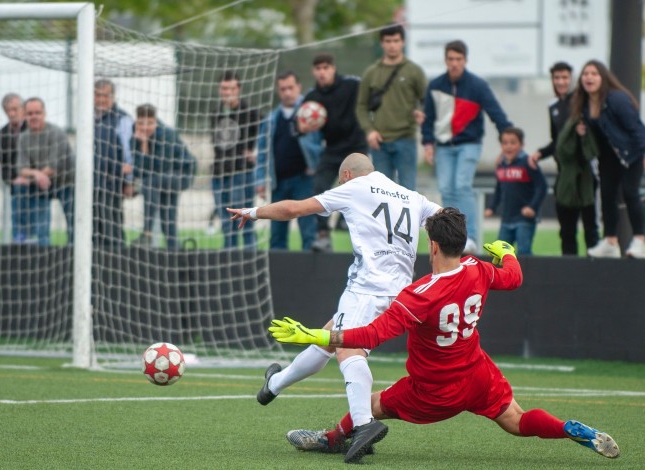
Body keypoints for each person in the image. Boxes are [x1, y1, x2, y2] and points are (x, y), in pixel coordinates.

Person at [269, 209, 620, 464]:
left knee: (372, 405)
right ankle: (569, 429)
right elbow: (512, 277)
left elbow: (372, 335)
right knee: (517, 421)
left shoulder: (420, 293)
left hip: (434, 388)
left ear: (433, 246)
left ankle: (330, 440)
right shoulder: (478, 269)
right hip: (478, 374)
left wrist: (317, 334)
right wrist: (509, 253)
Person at [227, 153, 442, 448]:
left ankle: (364, 424)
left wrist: (252, 212)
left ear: (347, 176)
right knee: (329, 338)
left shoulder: (354, 188)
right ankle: (273, 384)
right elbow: (448, 220)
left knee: (347, 349)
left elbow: (294, 208)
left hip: (368, 287)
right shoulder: (411, 196)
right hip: (403, 293)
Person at [421, 40, 512, 254]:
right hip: (443, 146)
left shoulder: (477, 86)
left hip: (469, 144)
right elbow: (429, 118)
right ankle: (454, 238)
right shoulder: (435, 85)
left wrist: (508, 141)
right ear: (445, 60)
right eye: (451, 59)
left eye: (458, 59)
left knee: (462, 186)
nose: (454, 63)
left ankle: (471, 237)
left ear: (465, 60)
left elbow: (495, 112)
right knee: (447, 189)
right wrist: (427, 143)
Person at [574, 60, 645, 259]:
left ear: (603, 78)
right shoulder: (585, 105)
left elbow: (638, 130)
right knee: (607, 196)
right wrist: (583, 130)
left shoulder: (617, 99)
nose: (589, 77)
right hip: (608, 157)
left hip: (632, 154)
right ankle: (611, 242)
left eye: (594, 73)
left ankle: (640, 241)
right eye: (585, 74)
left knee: (630, 193)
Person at [299, 53, 368, 252]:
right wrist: (301, 128)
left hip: (357, 148)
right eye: (318, 69)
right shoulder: (312, 97)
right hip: (332, 149)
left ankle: (346, 223)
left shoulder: (351, 85)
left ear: (333, 68)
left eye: (326, 68)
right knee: (318, 187)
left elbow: (372, 96)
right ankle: (323, 236)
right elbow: (298, 126)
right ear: (314, 71)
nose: (322, 72)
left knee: (360, 191)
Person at [529, 62, 599, 256]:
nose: (561, 82)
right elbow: (557, 141)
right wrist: (540, 153)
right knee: (566, 229)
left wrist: (582, 133)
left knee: (590, 226)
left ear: (572, 79)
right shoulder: (553, 106)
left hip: (585, 172)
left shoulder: (581, 102)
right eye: (557, 78)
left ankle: (596, 269)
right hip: (564, 173)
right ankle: (571, 269)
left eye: (565, 78)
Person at [256, 70, 322, 250]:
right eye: (283, 88)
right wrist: (260, 179)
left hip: (304, 181)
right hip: (279, 182)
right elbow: (262, 151)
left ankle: (311, 275)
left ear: (298, 87)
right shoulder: (271, 119)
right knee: (277, 234)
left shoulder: (312, 113)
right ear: (279, 91)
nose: (287, 92)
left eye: (290, 88)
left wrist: (315, 165)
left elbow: (323, 145)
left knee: (308, 231)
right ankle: (279, 274)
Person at [355, 24, 427, 191]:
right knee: (381, 191)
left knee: (408, 191)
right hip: (380, 142)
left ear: (403, 42)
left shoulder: (414, 71)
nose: (392, 45)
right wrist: (369, 130)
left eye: (396, 40)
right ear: (382, 43)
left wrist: (422, 113)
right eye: (388, 41)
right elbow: (361, 106)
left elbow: (426, 100)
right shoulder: (372, 73)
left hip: (406, 138)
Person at [131, 103, 197, 249]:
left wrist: (144, 147)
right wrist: (143, 144)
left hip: (182, 174)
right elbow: (139, 171)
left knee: (149, 184)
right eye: (141, 123)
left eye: (149, 123)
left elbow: (159, 167)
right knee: (168, 220)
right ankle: (175, 251)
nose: (145, 127)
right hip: (163, 179)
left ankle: (147, 233)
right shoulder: (135, 137)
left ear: (155, 121)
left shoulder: (167, 135)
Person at [14, 97, 74, 245]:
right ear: (25, 115)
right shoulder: (23, 137)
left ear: (44, 114)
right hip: (42, 185)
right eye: (30, 113)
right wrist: (36, 174)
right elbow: (21, 169)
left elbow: (53, 167)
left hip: (67, 183)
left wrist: (34, 174)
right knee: (41, 228)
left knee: (74, 225)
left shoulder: (56, 133)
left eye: (37, 113)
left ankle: (74, 256)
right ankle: (33, 246)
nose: (34, 116)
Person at [211, 70, 261, 249]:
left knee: (245, 222)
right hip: (219, 174)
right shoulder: (216, 112)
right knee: (226, 224)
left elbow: (264, 137)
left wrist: (255, 154)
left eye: (231, 88)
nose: (227, 92)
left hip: (242, 174)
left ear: (238, 89)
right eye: (224, 88)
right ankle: (228, 260)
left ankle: (250, 261)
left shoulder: (250, 112)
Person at [484, 127, 547, 256]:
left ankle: (526, 276)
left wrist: (532, 207)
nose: (509, 147)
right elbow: (499, 190)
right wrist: (492, 207)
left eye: (513, 143)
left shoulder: (528, 163)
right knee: (500, 253)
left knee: (523, 252)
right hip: (506, 219)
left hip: (524, 219)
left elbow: (542, 186)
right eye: (505, 143)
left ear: (522, 144)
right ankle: (504, 276)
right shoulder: (501, 165)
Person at [94, 79, 129, 247]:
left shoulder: (123, 120)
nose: (100, 99)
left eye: (105, 96)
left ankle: (118, 266)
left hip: (112, 185)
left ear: (113, 97)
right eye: (97, 95)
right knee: (93, 231)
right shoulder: (88, 119)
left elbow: (129, 155)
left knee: (112, 230)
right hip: (91, 185)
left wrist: (128, 181)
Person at [0, 93, 28, 242]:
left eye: (15, 109)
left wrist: (28, 176)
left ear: (23, 109)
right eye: (8, 110)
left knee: (38, 228)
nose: (12, 113)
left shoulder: (32, 127)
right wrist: (14, 179)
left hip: (36, 184)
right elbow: (3, 161)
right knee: (17, 225)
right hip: (16, 186)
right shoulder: (3, 133)